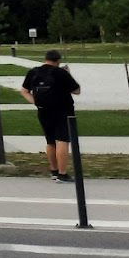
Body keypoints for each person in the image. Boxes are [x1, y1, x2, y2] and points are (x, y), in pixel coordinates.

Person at [20, 50, 81, 182]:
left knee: (50, 141)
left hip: (43, 111)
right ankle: (62, 173)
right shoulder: (61, 73)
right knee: (62, 141)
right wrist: (68, 74)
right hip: (63, 110)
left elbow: (24, 91)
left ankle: (54, 171)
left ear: (45, 59)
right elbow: (77, 90)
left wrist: (36, 102)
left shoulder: (34, 72)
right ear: (58, 60)